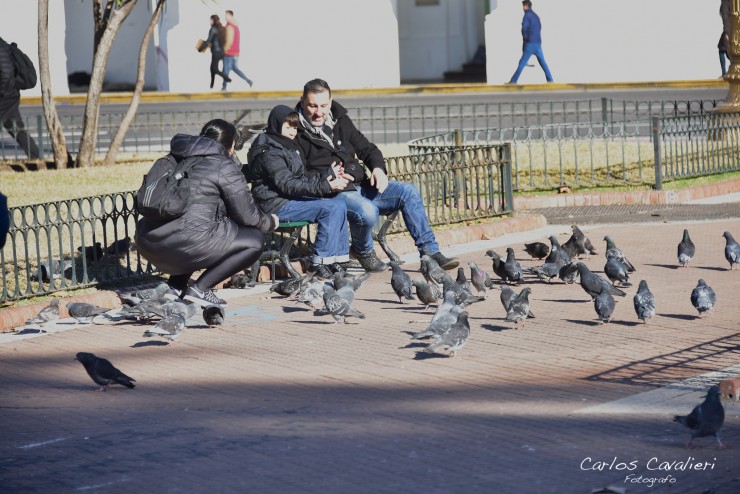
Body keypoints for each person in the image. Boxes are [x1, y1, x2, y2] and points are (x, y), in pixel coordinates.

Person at [294, 78, 460, 271]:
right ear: (303, 101)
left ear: (330, 102)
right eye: (313, 106)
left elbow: (367, 149)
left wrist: (378, 169)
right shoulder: (294, 130)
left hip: (360, 184)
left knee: (407, 191)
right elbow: (299, 175)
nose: (318, 112)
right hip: (334, 193)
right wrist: (330, 179)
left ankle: (430, 253)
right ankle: (362, 251)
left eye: (323, 105)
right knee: (367, 211)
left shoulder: (339, 119)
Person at [135, 119, 278, 307]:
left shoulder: (175, 157)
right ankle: (200, 290)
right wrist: (271, 222)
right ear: (232, 144)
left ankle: (174, 287)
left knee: (197, 229)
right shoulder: (222, 165)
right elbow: (248, 216)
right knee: (254, 241)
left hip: (148, 243)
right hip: (186, 246)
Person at [248, 105, 351, 279]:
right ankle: (319, 264)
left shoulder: (286, 147)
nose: (292, 131)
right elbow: (287, 184)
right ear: (276, 125)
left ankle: (336, 261)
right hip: (275, 206)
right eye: (288, 126)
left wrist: (326, 176)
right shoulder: (270, 153)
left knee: (339, 204)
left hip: (288, 200)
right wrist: (326, 187)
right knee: (330, 208)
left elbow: (299, 179)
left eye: (295, 127)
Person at [0, 37, 40, 160]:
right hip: (9, 96)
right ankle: (36, 158)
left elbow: (5, 72)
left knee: (17, 129)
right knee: (17, 129)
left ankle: (36, 158)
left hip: (5, 97)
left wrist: (2, 92)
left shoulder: (1, 48)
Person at [507, 1, 553, 84]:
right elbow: (539, 27)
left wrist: (525, 38)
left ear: (526, 6)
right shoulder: (536, 16)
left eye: (523, 6)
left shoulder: (527, 15)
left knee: (522, 62)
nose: (522, 7)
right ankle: (550, 80)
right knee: (543, 62)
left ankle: (513, 81)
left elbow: (524, 28)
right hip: (537, 42)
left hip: (530, 43)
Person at [222, 10, 254, 90]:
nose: (225, 17)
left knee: (226, 70)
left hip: (229, 52)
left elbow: (229, 40)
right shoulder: (236, 26)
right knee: (235, 68)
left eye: (227, 15)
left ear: (231, 16)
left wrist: (225, 49)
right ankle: (248, 80)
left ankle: (224, 87)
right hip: (236, 52)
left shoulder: (230, 26)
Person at [201, 15, 231, 89]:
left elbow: (208, 41)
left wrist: (201, 47)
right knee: (212, 68)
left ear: (213, 20)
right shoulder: (222, 28)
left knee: (215, 69)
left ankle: (226, 78)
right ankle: (212, 84)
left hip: (216, 52)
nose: (210, 22)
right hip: (222, 52)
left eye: (210, 20)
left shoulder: (213, 29)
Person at [719, 0, 731, 77]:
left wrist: (726, 32)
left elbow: (725, 18)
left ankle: (724, 73)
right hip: (733, 28)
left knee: (723, 49)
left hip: (729, 29)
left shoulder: (725, 3)